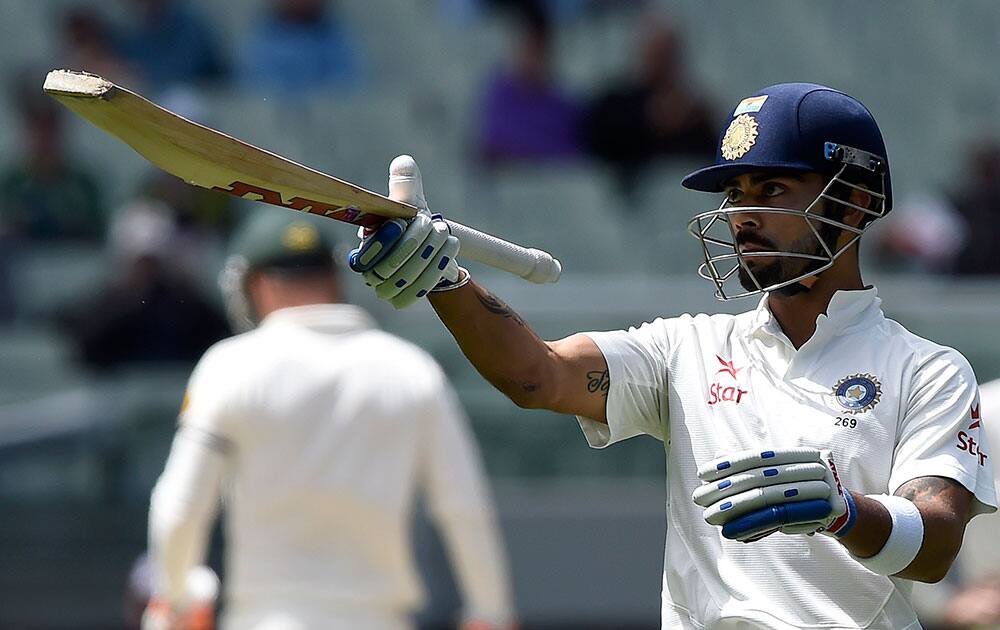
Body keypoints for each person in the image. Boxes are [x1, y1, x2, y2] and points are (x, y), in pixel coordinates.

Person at [350, 83, 997, 629]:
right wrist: (446, 280)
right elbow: (536, 375)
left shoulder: (927, 370)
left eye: (770, 189)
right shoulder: (685, 349)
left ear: (855, 202)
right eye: (734, 191)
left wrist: (845, 512)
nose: (741, 214)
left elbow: (935, 545)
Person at [144, 211, 515, 630]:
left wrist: (175, 599)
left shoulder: (229, 367)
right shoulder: (411, 370)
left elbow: (180, 507)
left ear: (259, 285)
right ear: (334, 281)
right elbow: (464, 507)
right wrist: (491, 612)